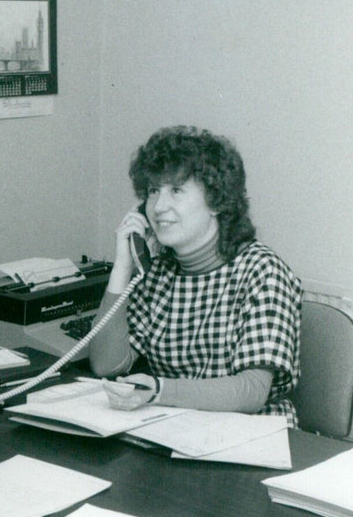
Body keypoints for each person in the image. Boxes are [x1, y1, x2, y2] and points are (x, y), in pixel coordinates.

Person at [89, 126, 301, 422]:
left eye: (176, 190)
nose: (159, 207)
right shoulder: (158, 274)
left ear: (216, 201)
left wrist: (160, 391)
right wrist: (123, 266)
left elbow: (252, 391)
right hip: (176, 427)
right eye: (153, 191)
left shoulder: (263, 272)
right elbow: (106, 365)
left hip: (253, 434)